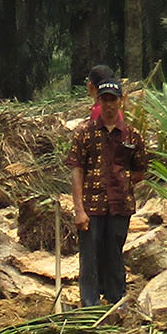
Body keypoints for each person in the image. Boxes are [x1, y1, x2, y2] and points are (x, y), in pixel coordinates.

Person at [68, 65, 150, 307]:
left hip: (120, 204)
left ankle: (116, 298)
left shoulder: (132, 136)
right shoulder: (84, 133)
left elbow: (140, 170)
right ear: (98, 100)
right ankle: (90, 302)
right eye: (104, 100)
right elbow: (76, 170)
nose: (109, 105)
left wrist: (123, 182)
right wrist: (79, 209)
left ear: (121, 100)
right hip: (92, 206)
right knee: (90, 255)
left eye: (113, 99)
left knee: (114, 251)